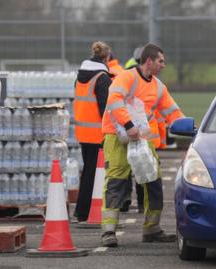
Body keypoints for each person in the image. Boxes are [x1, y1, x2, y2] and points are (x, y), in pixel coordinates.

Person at [101, 43, 185, 247]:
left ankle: (152, 229)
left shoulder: (158, 87)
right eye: (161, 61)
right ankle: (108, 232)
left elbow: (172, 112)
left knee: (153, 180)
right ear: (149, 61)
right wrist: (128, 125)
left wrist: (191, 128)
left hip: (142, 139)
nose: (163, 65)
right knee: (116, 182)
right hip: (117, 135)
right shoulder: (127, 77)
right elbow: (113, 100)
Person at [73, 41, 112, 222]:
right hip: (98, 133)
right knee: (95, 174)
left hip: (83, 132)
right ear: (106, 57)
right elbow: (106, 108)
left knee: (88, 172)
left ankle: (83, 210)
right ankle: (85, 212)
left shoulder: (80, 75)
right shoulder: (102, 78)